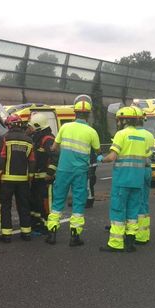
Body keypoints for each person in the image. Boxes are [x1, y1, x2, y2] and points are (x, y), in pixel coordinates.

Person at [97, 106, 154, 252]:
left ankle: (116, 243)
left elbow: (112, 156)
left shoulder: (121, 134)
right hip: (138, 179)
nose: (117, 123)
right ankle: (130, 241)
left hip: (122, 179)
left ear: (124, 120)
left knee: (118, 210)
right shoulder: (144, 136)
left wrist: (102, 159)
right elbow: (148, 159)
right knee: (133, 211)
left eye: (119, 120)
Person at [46, 99, 100, 246]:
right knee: (78, 202)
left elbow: (54, 147)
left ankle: (52, 233)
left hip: (63, 170)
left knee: (57, 201)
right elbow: (98, 151)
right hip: (80, 172)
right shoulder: (92, 132)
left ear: (75, 113)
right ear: (88, 115)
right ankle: (75, 236)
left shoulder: (65, 127)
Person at [0, 114, 35, 242]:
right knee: (24, 205)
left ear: (9, 125)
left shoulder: (5, 138)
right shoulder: (28, 140)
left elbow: (1, 158)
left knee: (5, 206)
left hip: (7, 179)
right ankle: (26, 233)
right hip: (23, 180)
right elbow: (32, 161)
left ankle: (6, 235)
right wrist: (30, 176)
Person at [28, 113, 57, 236]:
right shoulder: (37, 138)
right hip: (36, 178)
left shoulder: (48, 139)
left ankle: (48, 226)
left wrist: (50, 172)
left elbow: (54, 156)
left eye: (31, 127)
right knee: (36, 202)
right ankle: (38, 224)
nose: (30, 129)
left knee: (46, 203)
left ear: (38, 126)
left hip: (45, 179)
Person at [134, 107, 153, 245]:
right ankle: (144, 233)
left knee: (134, 202)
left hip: (135, 171)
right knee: (144, 202)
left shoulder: (132, 134)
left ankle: (136, 233)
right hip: (147, 169)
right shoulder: (149, 135)